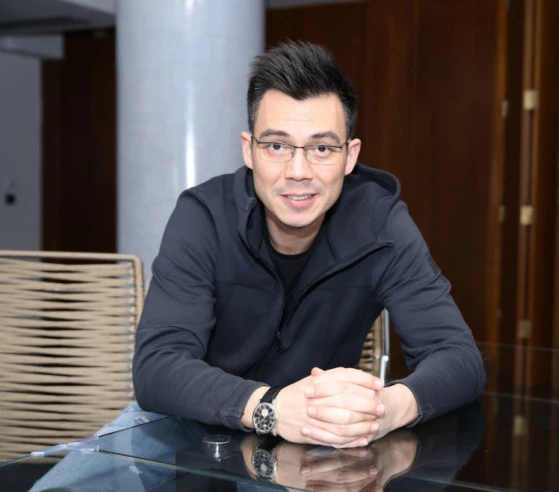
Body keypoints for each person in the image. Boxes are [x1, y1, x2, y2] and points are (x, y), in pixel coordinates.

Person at [132, 41, 485, 449]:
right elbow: (157, 367)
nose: (298, 172)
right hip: (188, 431)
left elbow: (459, 358)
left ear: (350, 156)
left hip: (312, 448)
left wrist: (386, 409)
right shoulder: (203, 216)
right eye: (277, 146)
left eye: (321, 148)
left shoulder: (380, 223)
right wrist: (271, 408)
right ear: (249, 150)